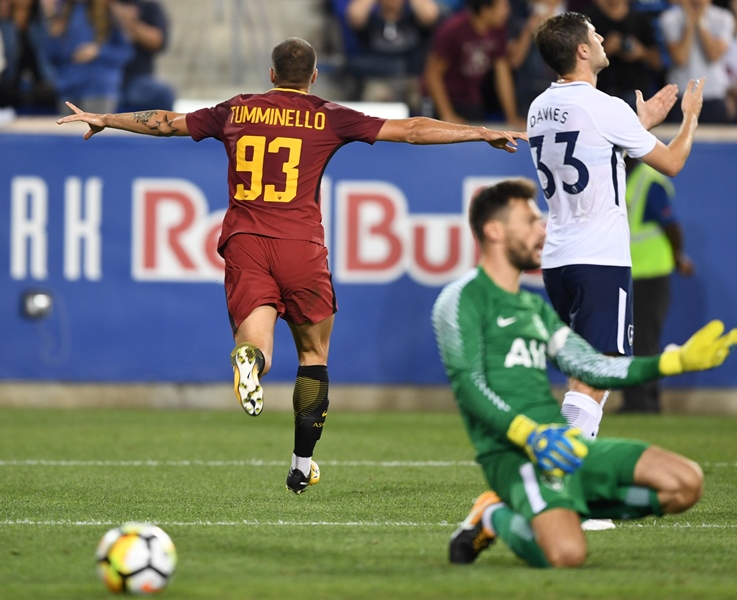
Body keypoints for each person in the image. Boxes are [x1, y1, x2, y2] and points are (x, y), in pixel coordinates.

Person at [56, 37, 526, 495]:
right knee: (313, 356)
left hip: (246, 241)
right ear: (314, 77)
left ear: (272, 75)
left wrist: (107, 119)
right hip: (301, 244)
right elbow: (412, 130)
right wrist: (479, 132)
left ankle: (250, 362)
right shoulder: (326, 115)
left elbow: (165, 121)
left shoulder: (237, 108)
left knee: (255, 340)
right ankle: (301, 465)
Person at [431, 178, 737, 568]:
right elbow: (468, 385)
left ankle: (566, 505)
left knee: (685, 484)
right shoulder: (460, 299)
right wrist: (528, 434)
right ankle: (493, 514)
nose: (542, 228)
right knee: (566, 555)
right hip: (516, 454)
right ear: (494, 231)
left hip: (565, 445)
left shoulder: (533, 308)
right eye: (529, 221)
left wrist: (671, 362)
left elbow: (592, 365)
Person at [526, 12, 703, 449]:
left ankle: (565, 469)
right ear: (582, 50)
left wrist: (637, 128)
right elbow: (673, 163)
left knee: (582, 374)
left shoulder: (538, 108)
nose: (603, 37)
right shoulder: (605, 107)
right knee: (595, 376)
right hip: (600, 259)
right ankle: (561, 478)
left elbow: (592, 157)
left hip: (559, 259)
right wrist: (690, 119)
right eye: (594, 33)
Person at [620, 159, 695, 413]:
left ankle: (642, 403)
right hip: (630, 272)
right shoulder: (622, 175)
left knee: (642, 340)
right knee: (633, 340)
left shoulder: (649, 181)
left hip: (651, 272)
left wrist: (677, 257)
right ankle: (642, 401)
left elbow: (671, 225)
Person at [422, 0, 523, 125]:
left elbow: (502, 73)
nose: (507, 11)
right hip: (444, 100)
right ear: (486, 10)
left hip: (472, 98)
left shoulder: (498, 29)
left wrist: (511, 117)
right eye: (503, 7)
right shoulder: (452, 30)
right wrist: (447, 114)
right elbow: (433, 75)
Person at [343, 0, 440, 106]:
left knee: (424, 98)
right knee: (375, 96)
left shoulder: (414, 20)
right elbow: (355, 15)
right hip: (379, 80)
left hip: (412, 79)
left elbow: (430, 15)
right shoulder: (370, 22)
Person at [44, 0, 133, 114]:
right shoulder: (62, 12)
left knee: (96, 130)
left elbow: (125, 52)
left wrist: (98, 52)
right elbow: (52, 56)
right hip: (68, 90)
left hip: (98, 90)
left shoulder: (109, 11)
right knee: (67, 131)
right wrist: (53, 38)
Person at [659, 0, 735, 123]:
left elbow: (714, 55)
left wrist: (700, 21)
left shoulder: (724, 17)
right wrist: (690, 22)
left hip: (714, 96)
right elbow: (680, 58)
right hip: (680, 96)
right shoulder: (669, 18)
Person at [582, 0, 664, 109]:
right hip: (601, 93)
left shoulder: (640, 20)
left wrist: (641, 52)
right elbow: (579, 63)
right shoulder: (589, 21)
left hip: (636, 94)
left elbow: (658, 63)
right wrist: (603, 50)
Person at [110, 0, 175, 112]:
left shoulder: (149, 7)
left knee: (164, 94)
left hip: (137, 79)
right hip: (105, 77)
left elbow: (158, 41)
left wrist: (131, 24)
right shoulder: (98, 9)